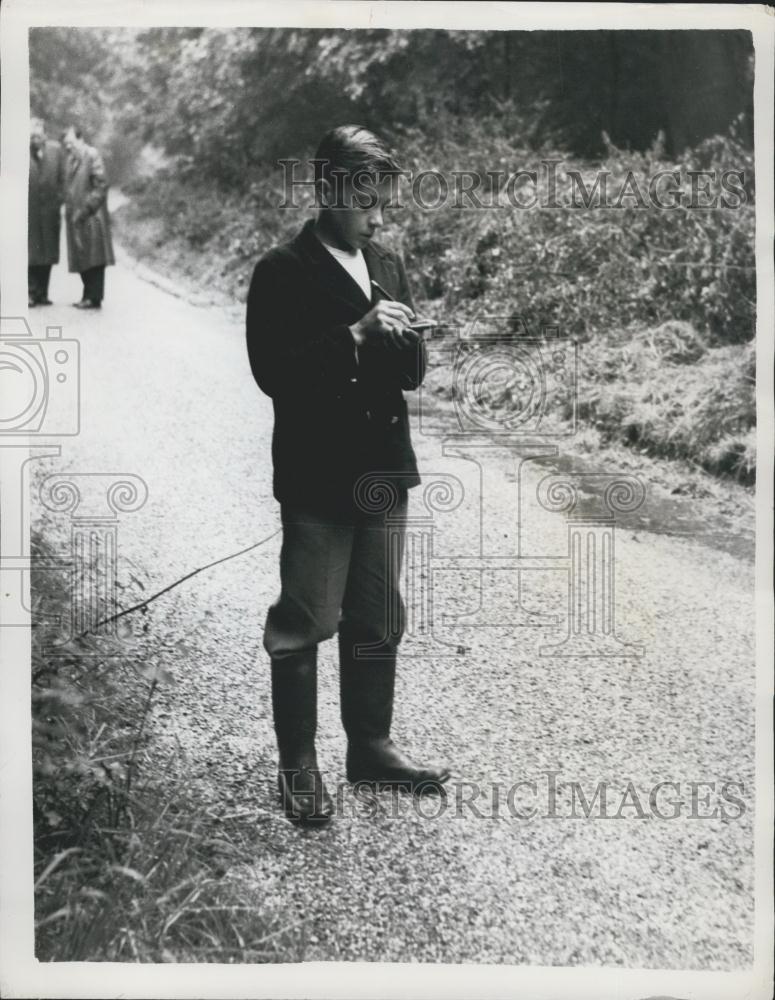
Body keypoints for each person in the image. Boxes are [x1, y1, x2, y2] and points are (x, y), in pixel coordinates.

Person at [246, 125, 450, 826]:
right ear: (329, 191)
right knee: (304, 619)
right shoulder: (282, 270)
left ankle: (370, 747)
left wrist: (409, 340)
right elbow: (273, 374)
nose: (378, 218)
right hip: (318, 476)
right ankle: (298, 766)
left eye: (384, 202)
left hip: (384, 469)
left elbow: (411, 377)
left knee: (377, 615)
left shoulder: (387, 262)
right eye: (366, 202)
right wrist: (357, 336)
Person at [62, 126, 115, 309]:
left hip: (92, 215)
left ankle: (93, 297)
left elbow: (101, 185)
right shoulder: (71, 159)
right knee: (83, 256)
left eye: (71, 142)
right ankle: (88, 295)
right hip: (77, 216)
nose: (68, 147)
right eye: (66, 144)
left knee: (94, 258)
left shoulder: (92, 155)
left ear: (81, 139)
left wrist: (87, 207)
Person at [28, 118, 64, 307]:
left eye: (39, 136)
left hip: (50, 212)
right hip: (30, 212)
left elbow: (63, 178)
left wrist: (59, 200)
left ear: (45, 135)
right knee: (30, 253)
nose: (36, 139)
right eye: (32, 136)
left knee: (48, 253)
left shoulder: (56, 151)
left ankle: (43, 292)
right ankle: (30, 292)